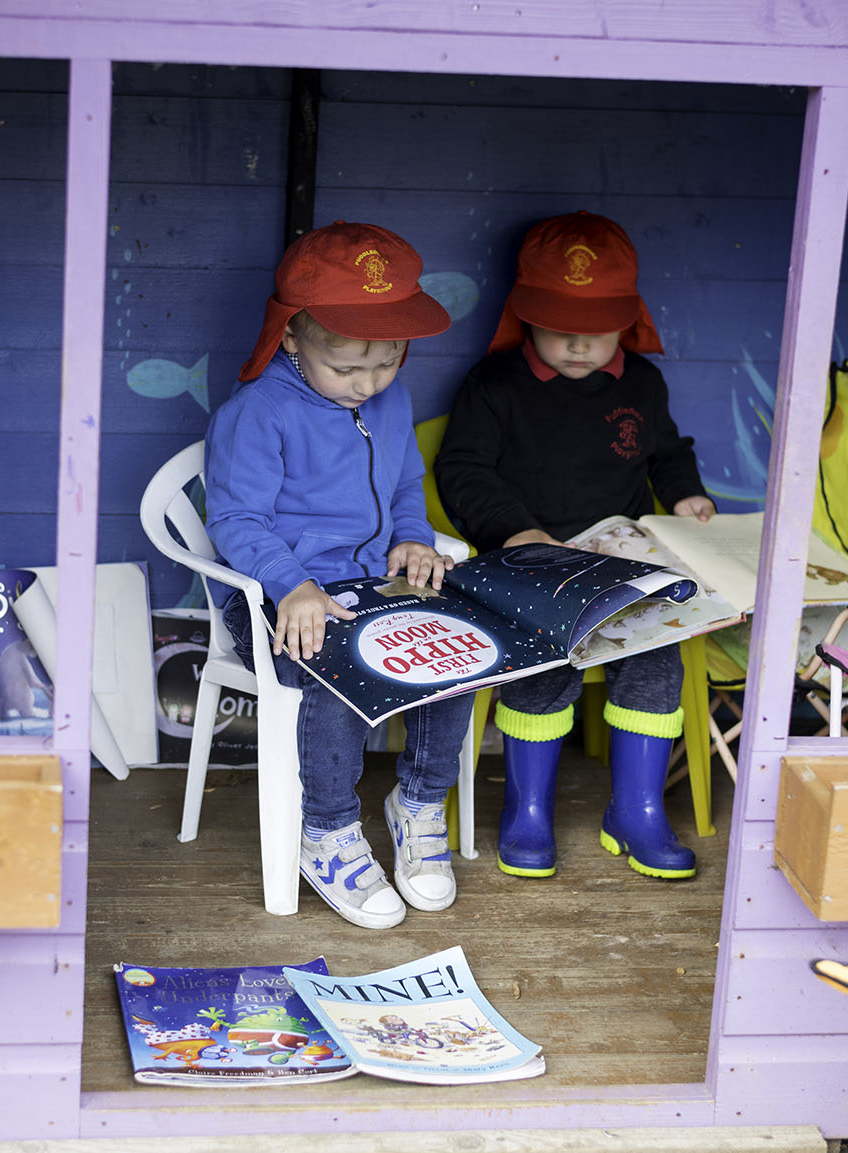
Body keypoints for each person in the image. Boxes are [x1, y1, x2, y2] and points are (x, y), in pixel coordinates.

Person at [204, 221, 473, 929]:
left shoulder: (389, 400)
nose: (368, 383)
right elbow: (234, 520)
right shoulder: (257, 412)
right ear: (292, 336)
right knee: (334, 659)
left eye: (386, 363)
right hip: (278, 591)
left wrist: (413, 537)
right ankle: (325, 829)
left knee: (456, 648)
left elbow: (407, 484)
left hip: (371, 583)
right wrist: (291, 584)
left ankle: (417, 801)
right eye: (347, 368)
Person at [435, 211, 716, 881]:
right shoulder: (494, 385)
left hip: (622, 561)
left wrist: (684, 494)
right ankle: (527, 811)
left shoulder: (640, 383)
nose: (579, 345)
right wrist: (518, 532)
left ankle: (637, 811)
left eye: (595, 332)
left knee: (654, 660)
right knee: (543, 666)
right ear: (525, 315)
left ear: (625, 320)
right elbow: (463, 469)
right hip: (529, 562)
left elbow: (666, 450)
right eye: (560, 330)